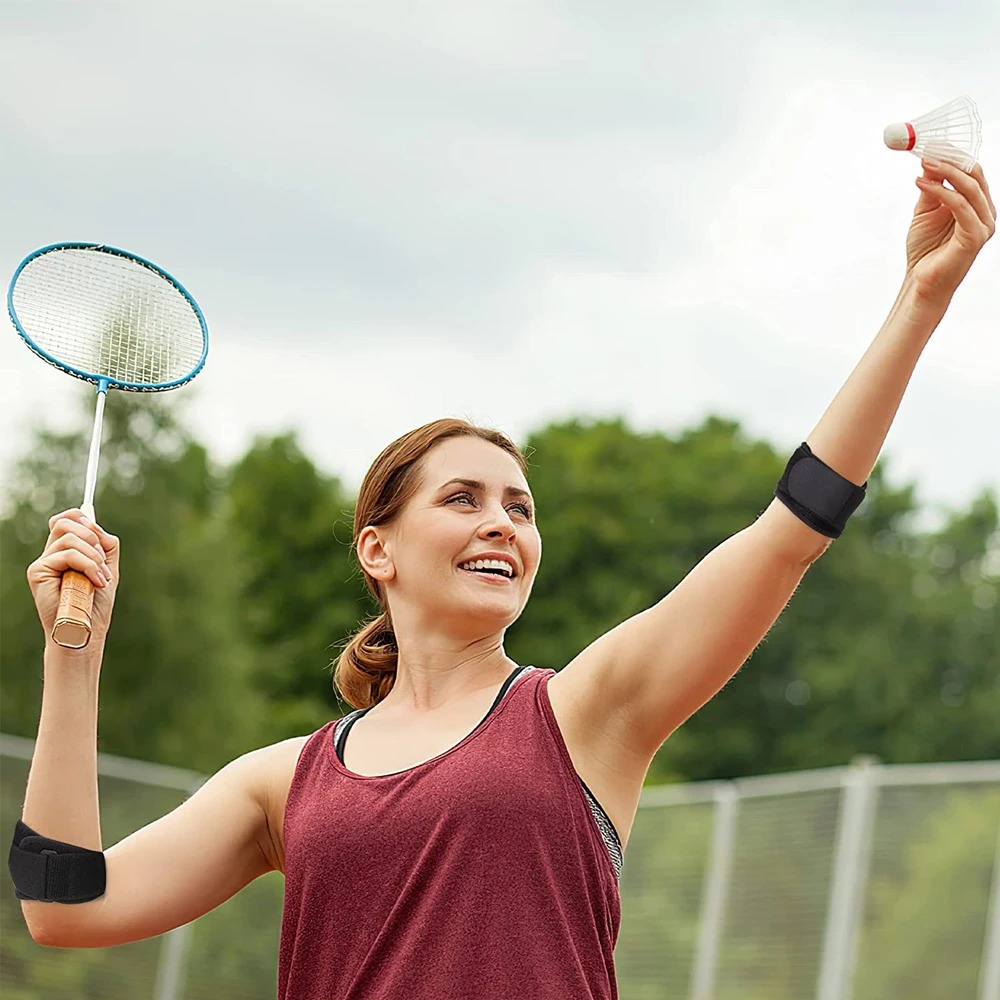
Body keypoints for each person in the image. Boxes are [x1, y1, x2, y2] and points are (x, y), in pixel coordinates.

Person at [10, 157, 995, 999]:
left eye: (519, 507)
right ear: (376, 548)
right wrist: (74, 655)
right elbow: (62, 905)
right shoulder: (283, 781)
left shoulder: (587, 712)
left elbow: (791, 528)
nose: (501, 524)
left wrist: (919, 302)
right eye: (464, 499)